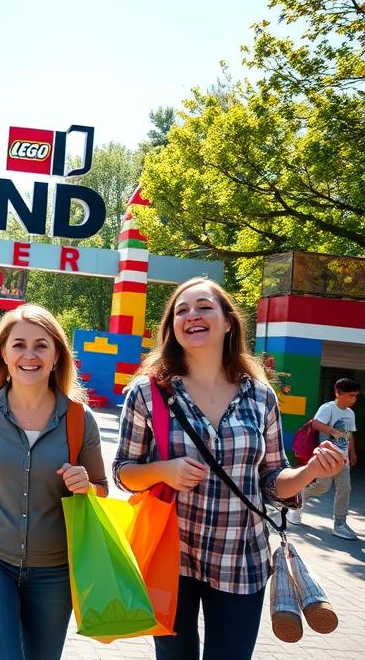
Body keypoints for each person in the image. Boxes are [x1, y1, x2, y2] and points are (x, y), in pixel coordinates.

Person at [113, 277, 348, 660]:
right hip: (170, 556)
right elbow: (124, 472)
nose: (192, 315)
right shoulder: (148, 392)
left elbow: (272, 479)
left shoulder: (260, 396)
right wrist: (164, 470)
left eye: (204, 307)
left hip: (240, 558)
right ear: (172, 327)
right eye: (181, 310)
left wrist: (310, 471)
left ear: (227, 322)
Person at [0, 304, 107, 660]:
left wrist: (87, 487)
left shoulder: (80, 418)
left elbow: (102, 489)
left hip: (55, 569)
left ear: (57, 355)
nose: (30, 355)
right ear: (3, 353)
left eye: (41, 345)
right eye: (19, 345)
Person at [288, 377, 360, 539]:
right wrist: (334, 432)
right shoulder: (328, 408)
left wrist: (352, 452)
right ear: (338, 393)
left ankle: (340, 524)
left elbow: (350, 434)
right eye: (350, 395)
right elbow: (316, 424)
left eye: (356, 396)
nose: (354, 399)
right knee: (322, 487)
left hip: (343, 458)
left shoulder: (350, 413)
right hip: (326, 457)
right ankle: (296, 502)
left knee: (345, 488)